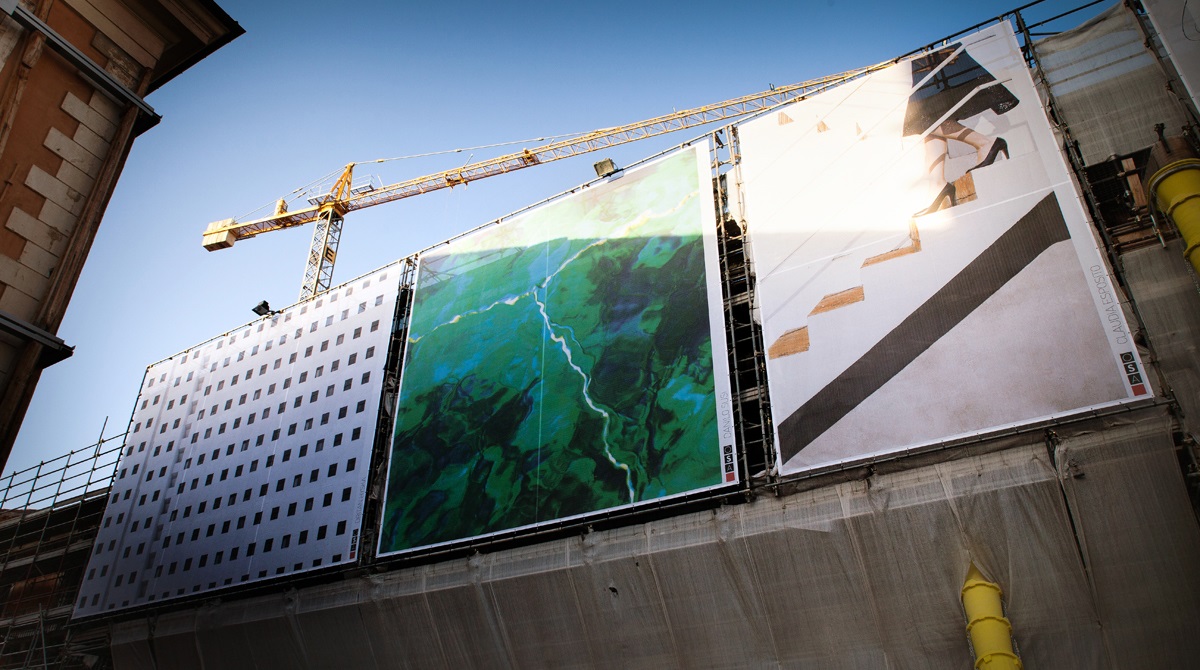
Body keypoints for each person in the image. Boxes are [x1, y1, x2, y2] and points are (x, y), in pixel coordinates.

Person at [905, 43, 1019, 216]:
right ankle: (938, 184)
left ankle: (985, 143)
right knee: (929, 119)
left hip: (935, 61)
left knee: (924, 118)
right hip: (925, 64)